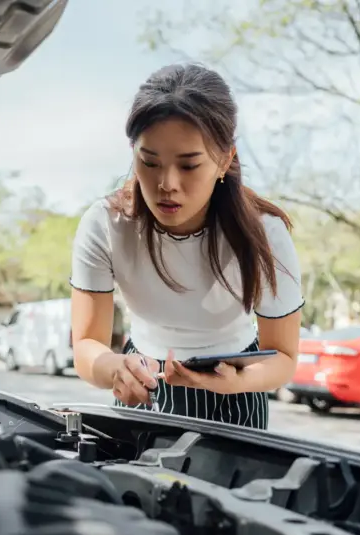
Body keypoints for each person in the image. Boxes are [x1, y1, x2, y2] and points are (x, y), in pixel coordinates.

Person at [69, 63, 303, 430]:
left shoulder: (265, 235)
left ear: (225, 159)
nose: (167, 184)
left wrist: (240, 382)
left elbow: (285, 357)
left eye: (189, 165)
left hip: (235, 392)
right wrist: (116, 369)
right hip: (144, 380)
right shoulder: (104, 225)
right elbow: (86, 345)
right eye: (149, 162)